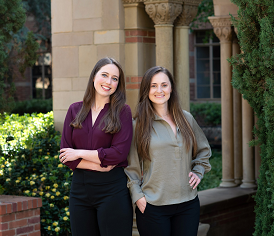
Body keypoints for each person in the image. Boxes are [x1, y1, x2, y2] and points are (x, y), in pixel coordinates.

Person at [125, 66, 211, 236]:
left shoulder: (186, 119)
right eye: (153, 85)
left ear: (171, 87)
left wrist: (199, 171)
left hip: (188, 203)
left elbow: (203, 150)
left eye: (164, 85)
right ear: (146, 90)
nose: (159, 90)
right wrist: (137, 196)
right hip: (153, 205)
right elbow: (130, 166)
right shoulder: (138, 125)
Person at [59, 57, 133, 236]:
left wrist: (79, 153)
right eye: (105, 75)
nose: (109, 82)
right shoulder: (74, 110)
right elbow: (65, 156)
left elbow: (118, 154)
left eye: (114, 78)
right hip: (80, 191)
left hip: (113, 191)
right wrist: (101, 165)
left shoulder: (123, 111)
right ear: (94, 77)